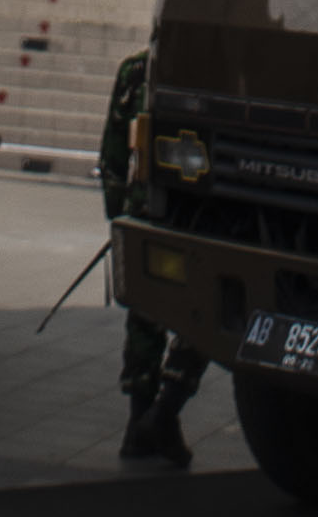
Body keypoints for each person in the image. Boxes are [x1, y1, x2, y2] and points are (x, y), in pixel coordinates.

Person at [100, 47, 203, 465]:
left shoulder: (136, 70)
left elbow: (111, 152)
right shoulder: (205, 68)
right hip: (194, 216)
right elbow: (113, 146)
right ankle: (160, 414)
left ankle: (146, 420)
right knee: (201, 318)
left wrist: (119, 213)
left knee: (147, 319)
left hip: (152, 211)